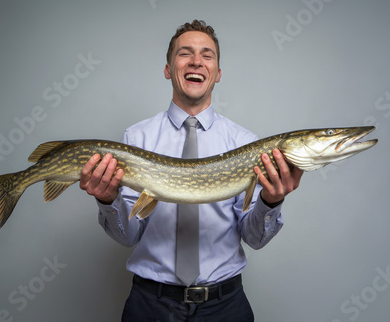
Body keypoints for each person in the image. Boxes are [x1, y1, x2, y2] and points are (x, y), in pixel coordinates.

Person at [79, 20, 303, 321]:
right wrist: (108, 202)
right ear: (168, 69)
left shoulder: (245, 144)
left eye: (207, 55)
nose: (196, 61)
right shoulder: (136, 138)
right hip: (151, 304)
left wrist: (271, 202)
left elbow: (255, 238)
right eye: (185, 53)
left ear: (218, 73)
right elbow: (128, 235)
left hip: (225, 306)